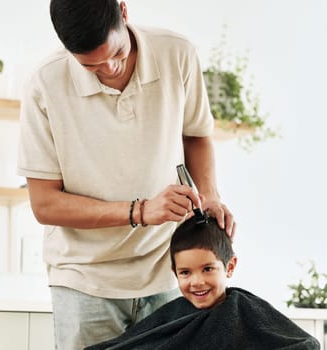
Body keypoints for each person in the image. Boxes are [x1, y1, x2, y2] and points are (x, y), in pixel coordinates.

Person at [17, 0, 235, 349]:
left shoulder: (177, 53)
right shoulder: (45, 85)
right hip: (85, 278)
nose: (111, 68)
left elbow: (195, 133)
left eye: (116, 52)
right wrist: (140, 211)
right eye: (92, 66)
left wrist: (209, 195)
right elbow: (45, 204)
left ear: (123, 11)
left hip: (168, 271)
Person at [84, 216, 320, 350]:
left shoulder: (246, 310)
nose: (197, 282)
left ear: (229, 267)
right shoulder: (172, 314)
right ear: (174, 272)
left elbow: (307, 345)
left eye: (207, 269)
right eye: (185, 273)